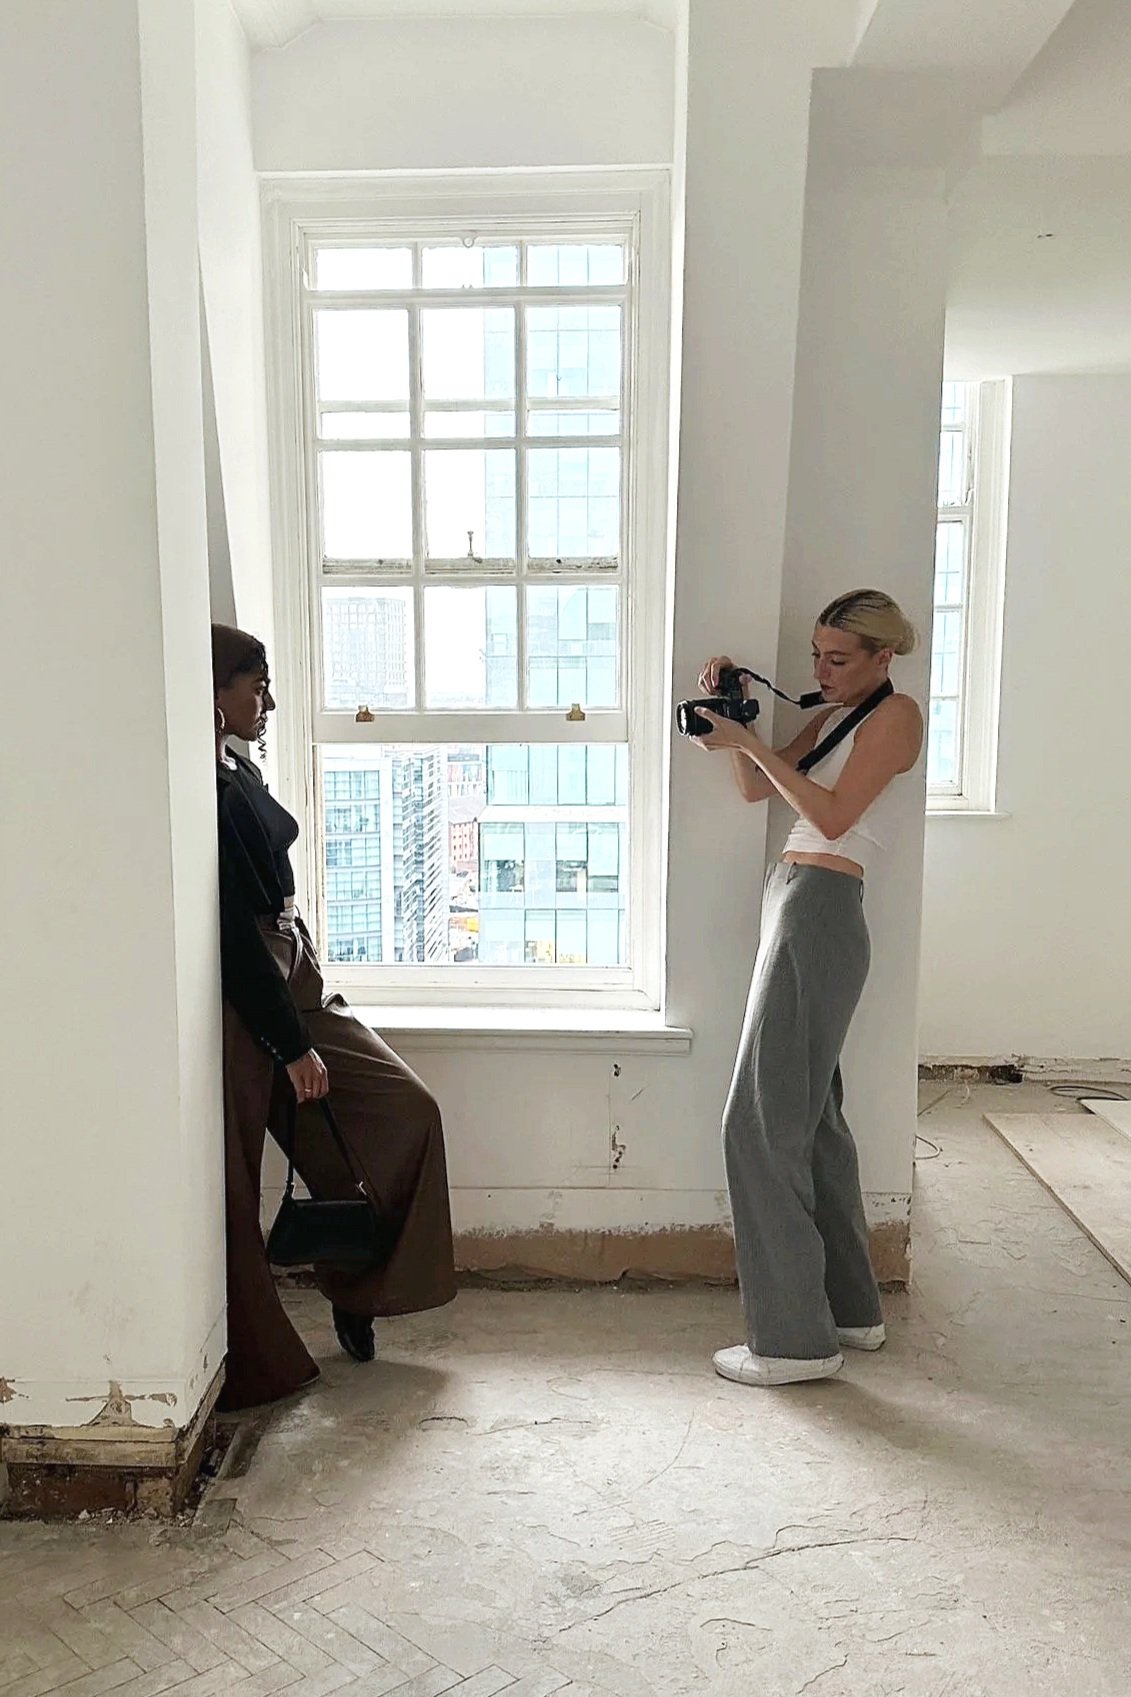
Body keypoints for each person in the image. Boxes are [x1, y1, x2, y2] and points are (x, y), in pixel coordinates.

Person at [212, 623, 457, 1410]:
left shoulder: (229, 766)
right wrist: (289, 1047)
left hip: (297, 971)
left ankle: (359, 1286)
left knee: (406, 1112)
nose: (270, 701)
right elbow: (228, 933)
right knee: (295, 1155)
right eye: (257, 685)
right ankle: (272, 1337)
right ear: (215, 692)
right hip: (265, 999)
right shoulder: (204, 789)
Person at [693, 590, 923, 1388]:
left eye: (837, 658)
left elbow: (827, 817)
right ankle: (850, 1312)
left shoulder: (897, 716)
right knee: (812, 1119)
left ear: (881, 656)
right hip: (793, 900)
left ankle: (792, 1342)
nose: (819, 670)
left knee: (755, 1124)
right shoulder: (832, 719)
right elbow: (759, 792)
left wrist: (751, 745)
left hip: (820, 905)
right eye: (815, 655)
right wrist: (734, 727)